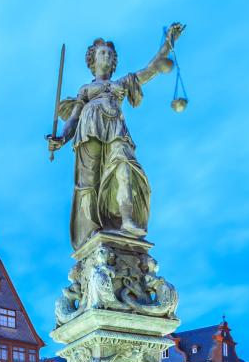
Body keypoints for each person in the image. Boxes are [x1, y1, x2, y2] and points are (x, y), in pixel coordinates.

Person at [47, 23, 184, 250]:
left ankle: (126, 218)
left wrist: (168, 43)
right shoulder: (85, 90)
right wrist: (61, 139)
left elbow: (150, 69)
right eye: (103, 53)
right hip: (89, 130)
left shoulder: (121, 84)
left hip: (116, 130)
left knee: (125, 167)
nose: (107, 57)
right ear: (92, 61)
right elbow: (72, 119)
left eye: (111, 54)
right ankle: (91, 230)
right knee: (89, 183)